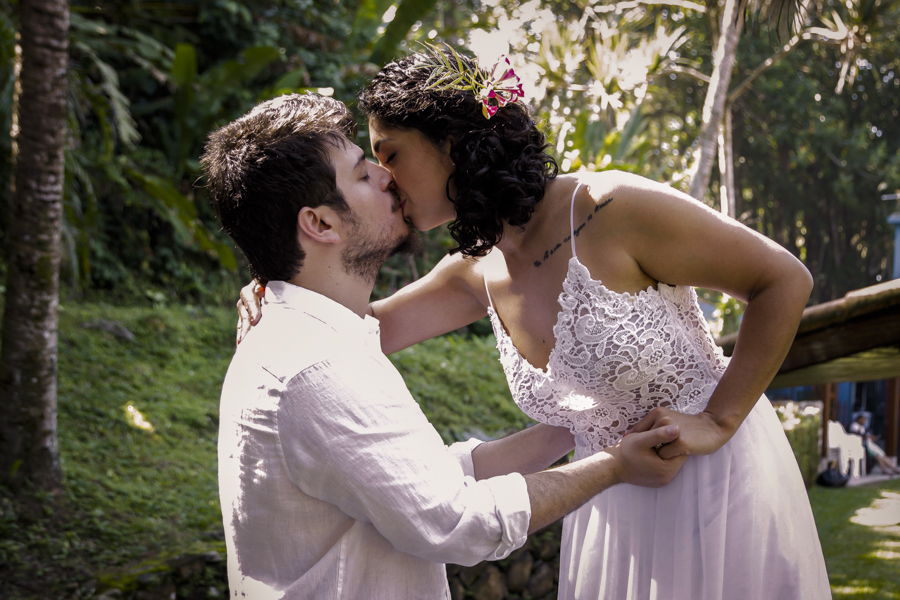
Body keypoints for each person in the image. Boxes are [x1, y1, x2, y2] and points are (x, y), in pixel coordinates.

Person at [237, 46, 831, 599]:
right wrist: (277, 290)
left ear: (452, 143)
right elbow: (356, 327)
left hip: (715, 479)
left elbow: (783, 280)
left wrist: (719, 419)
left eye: (391, 154)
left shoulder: (610, 208)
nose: (384, 176)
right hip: (611, 500)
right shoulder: (472, 272)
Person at [203, 93, 687, 599]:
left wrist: (582, 427)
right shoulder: (314, 367)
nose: (386, 176)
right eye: (364, 173)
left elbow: (428, 478)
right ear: (320, 223)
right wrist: (613, 466)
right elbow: (456, 519)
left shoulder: (316, 336)